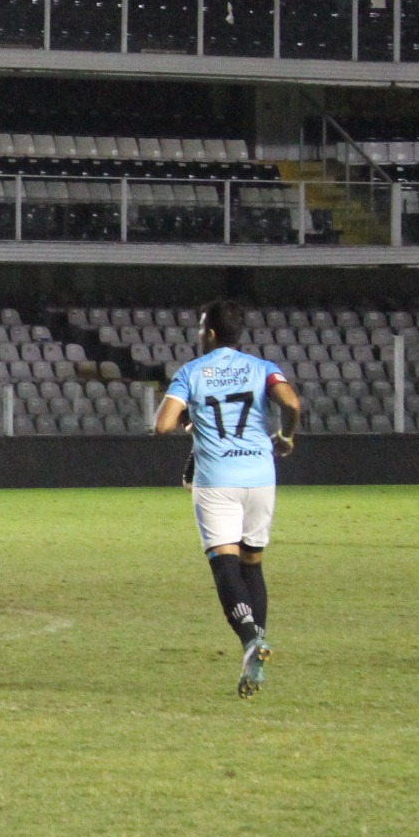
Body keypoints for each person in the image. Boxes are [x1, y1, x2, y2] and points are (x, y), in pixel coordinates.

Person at [154, 298, 301, 698]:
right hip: (260, 476)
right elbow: (291, 403)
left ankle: (251, 639)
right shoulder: (262, 368)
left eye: (201, 327)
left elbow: (162, 425)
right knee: (252, 563)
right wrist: (286, 437)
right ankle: (255, 653)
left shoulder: (191, 372)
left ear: (211, 334)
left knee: (225, 566)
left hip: (217, 479)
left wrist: (190, 420)